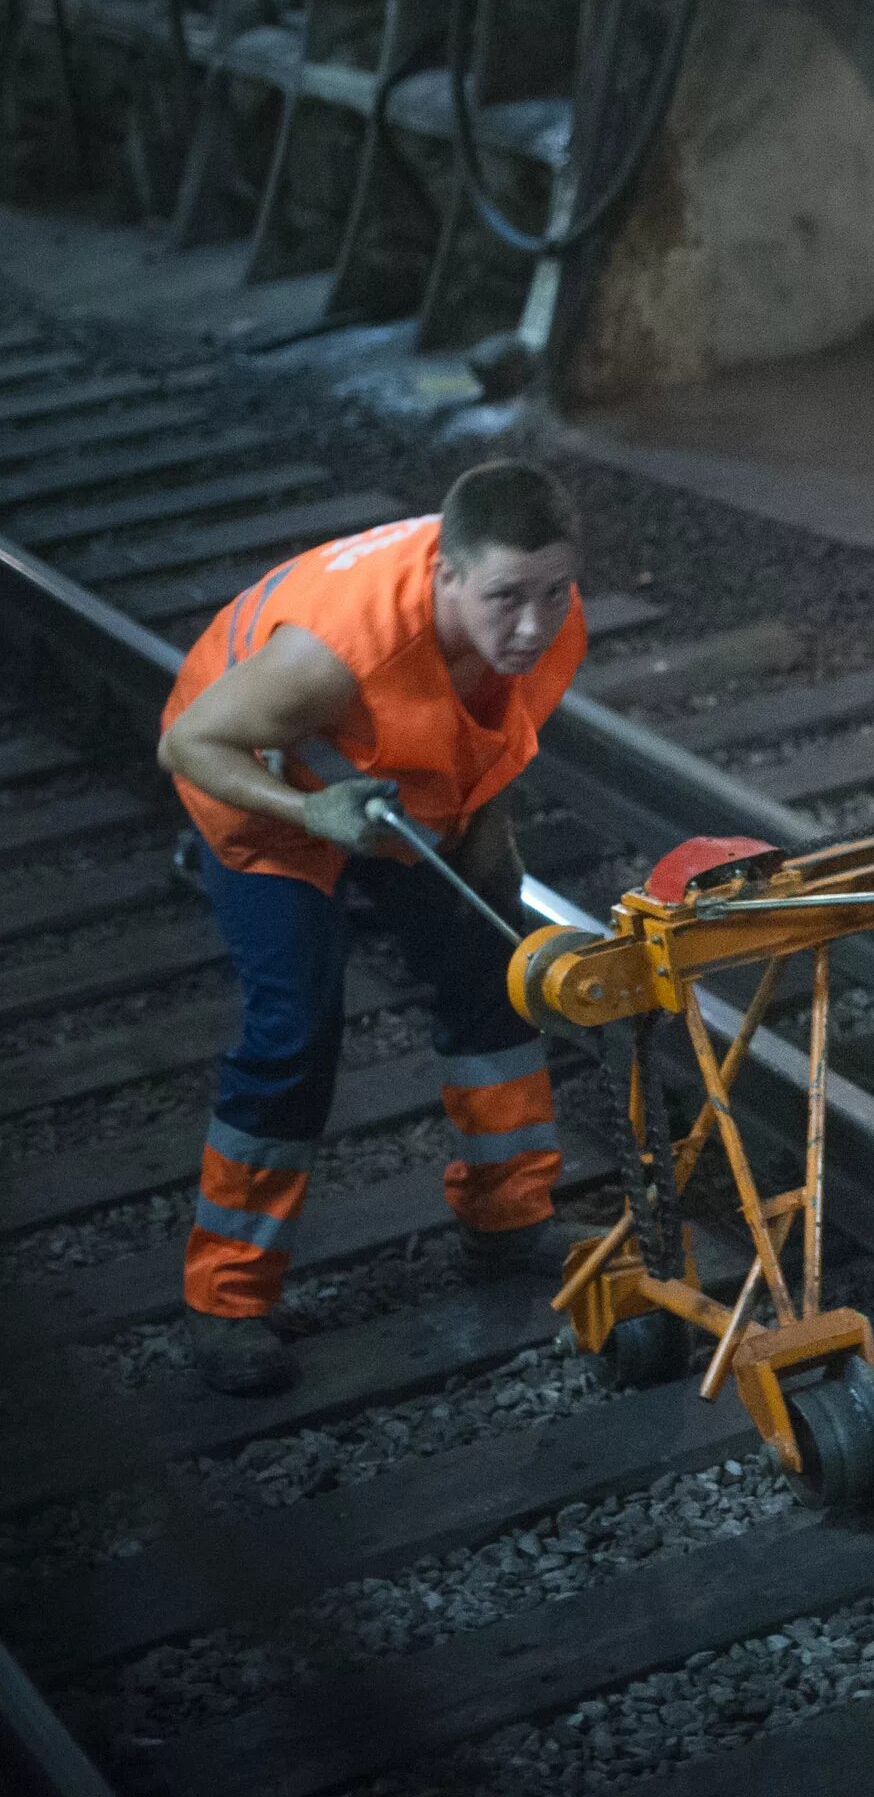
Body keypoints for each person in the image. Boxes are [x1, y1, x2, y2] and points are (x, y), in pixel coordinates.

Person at [156, 461, 589, 1394]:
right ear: (446, 576)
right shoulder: (339, 652)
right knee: (295, 1033)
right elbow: (188, 742)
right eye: (506, 598)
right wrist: (313, 817)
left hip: (390, 782)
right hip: (266, 781)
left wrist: (491, 829)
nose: (533, 624)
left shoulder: (551, 622)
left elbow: (492, 734)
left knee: (492, 975)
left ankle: (509, 1221)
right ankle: (225, 1301)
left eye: (553, 592)